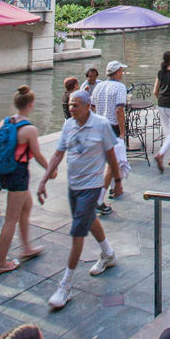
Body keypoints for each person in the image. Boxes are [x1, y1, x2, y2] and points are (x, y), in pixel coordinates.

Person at [38, 90, 121, 310]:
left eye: (75, 105)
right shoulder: (68, 125)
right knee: (89, 219)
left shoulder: (101, 125)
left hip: (91, 186)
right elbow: (58, 153)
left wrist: (118, 179)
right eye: (70, 105)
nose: (71, 108)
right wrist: (44, 179)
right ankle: (108, 254)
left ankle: (65, 286)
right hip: (73, 185)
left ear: (87, 106)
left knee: (77, 234)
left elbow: (111, 154)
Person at [0, 86, 50, 275]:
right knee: (11, 219)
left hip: (6, 172)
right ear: (31, 104)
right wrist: (51, 170)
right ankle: (1, 262)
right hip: (19, 174)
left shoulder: (5, 122)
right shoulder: (29, 129)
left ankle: (26, 247)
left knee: (27, 206)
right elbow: (38, 155)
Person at [90, 61, 129, 213]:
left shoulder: (98, 86)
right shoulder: (120, 87)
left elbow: (92, 107)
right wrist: (122, 132)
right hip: (112, 128)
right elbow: (119, 109)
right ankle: (99, 199)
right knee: (112, 163)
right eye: (121, 71)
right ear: (118, 72)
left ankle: (114, 188)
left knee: (106, 162)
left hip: (98, 126)